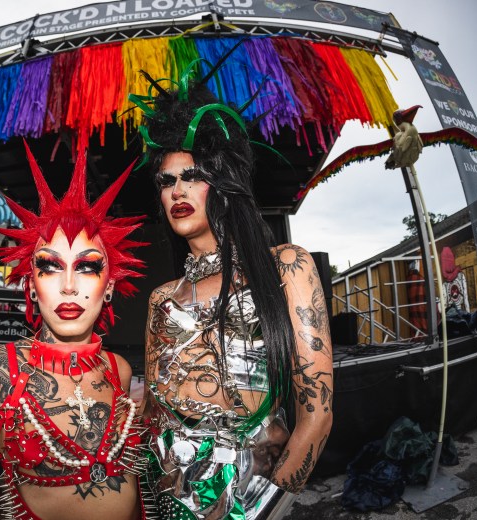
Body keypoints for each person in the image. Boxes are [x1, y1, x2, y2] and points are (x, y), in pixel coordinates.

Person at [133, 73, 334, 518]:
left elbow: (317, 418)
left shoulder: (286, 267)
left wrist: (262, 512)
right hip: (164, 494)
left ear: (221, 181)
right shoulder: (161, 299)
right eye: (166, 181)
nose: (177, 191)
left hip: (248, 497)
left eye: (192, 176)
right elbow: (150, 414)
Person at [0, 142, 147, 520]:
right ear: (31, 286)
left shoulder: (119, 370)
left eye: (87, 267)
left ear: (109, 286)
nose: (68, 286)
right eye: (49, 267)